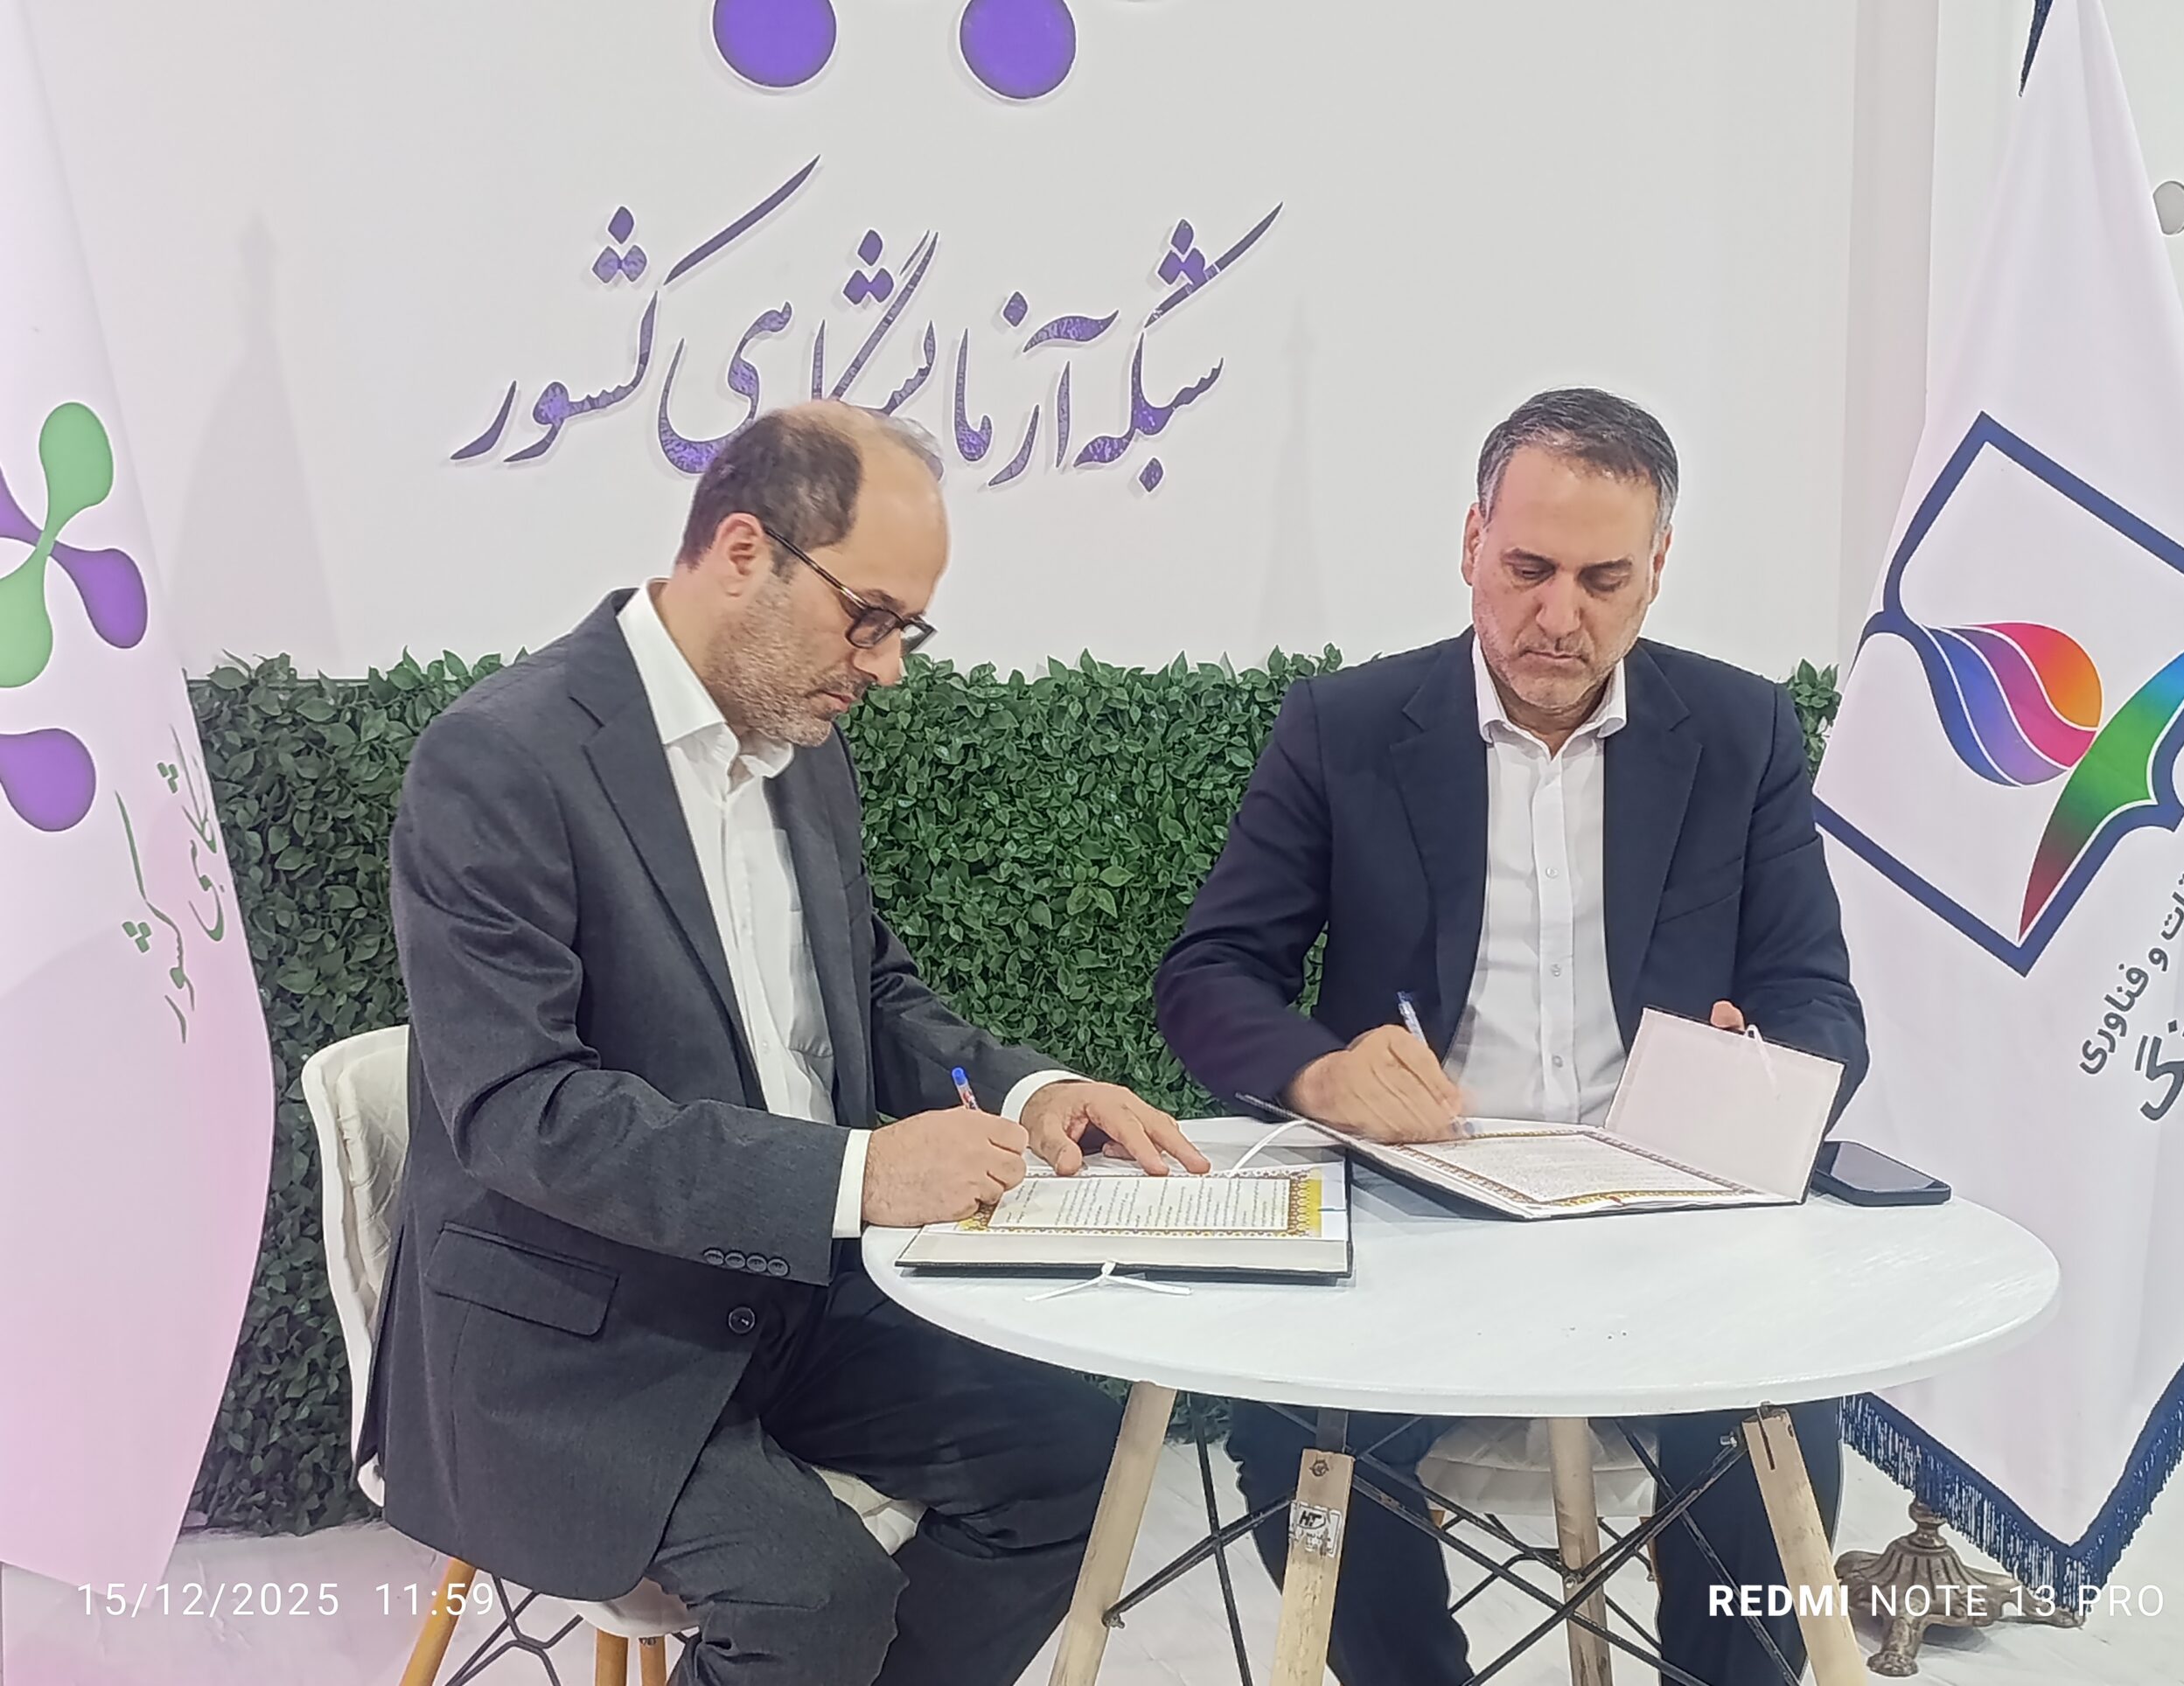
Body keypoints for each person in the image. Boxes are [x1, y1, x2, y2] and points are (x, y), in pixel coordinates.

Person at [364, 401, 1209, 1686]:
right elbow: (524, 1113)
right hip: (574, 1340)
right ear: (744, 551)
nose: (888, 667)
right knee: (815, 1599)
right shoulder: (501, 760)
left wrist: (1032, 1088)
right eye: (870, 616)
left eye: (908, 629)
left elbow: (868, 991)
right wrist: (861, 1177)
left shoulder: (800, 745)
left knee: (1073, 1471)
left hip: (785, 1298)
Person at [1155, 387, 1868, 1685]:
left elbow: (1818, 998)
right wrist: (1320, 1071)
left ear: (1658, 570)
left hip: (1667, 1214)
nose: (1559, 615)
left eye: (1603, 579)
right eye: (1530, 568)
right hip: (1415, 1209)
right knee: (1287, 1437)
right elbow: (1210, 975)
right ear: (1472, 542)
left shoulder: (1741, 730)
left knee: (1775, 1433)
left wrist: (1759, 1077)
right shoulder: (1346, 727)